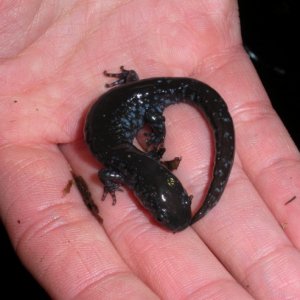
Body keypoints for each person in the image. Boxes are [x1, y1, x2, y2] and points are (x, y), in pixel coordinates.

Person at [1, 1, 299, 299]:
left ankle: (132, 84)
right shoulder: (129, 167)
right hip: (134, 97)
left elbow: (107, 172)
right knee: (149, 111)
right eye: (160, 212)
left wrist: (135, 155)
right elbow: (107, 172)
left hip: (136, 97)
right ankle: (132, 84)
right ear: (143, 197)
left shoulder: (129, 166)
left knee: (150, 111)